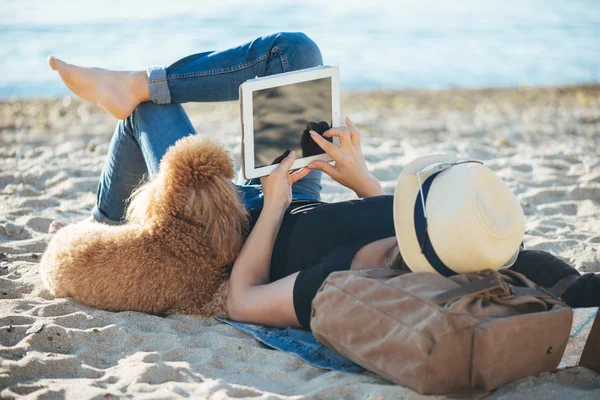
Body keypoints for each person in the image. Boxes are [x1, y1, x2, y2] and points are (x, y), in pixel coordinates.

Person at [48, 32, 600, 331]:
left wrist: (272, 206)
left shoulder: (360, 273)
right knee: (297, 54)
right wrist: (365, 182)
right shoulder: (475, 238)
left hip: (242, 228)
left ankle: (107, 228)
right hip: (292, 194)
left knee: (142, 116)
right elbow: (575, 289)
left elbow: (241, 300)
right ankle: (143, 85)